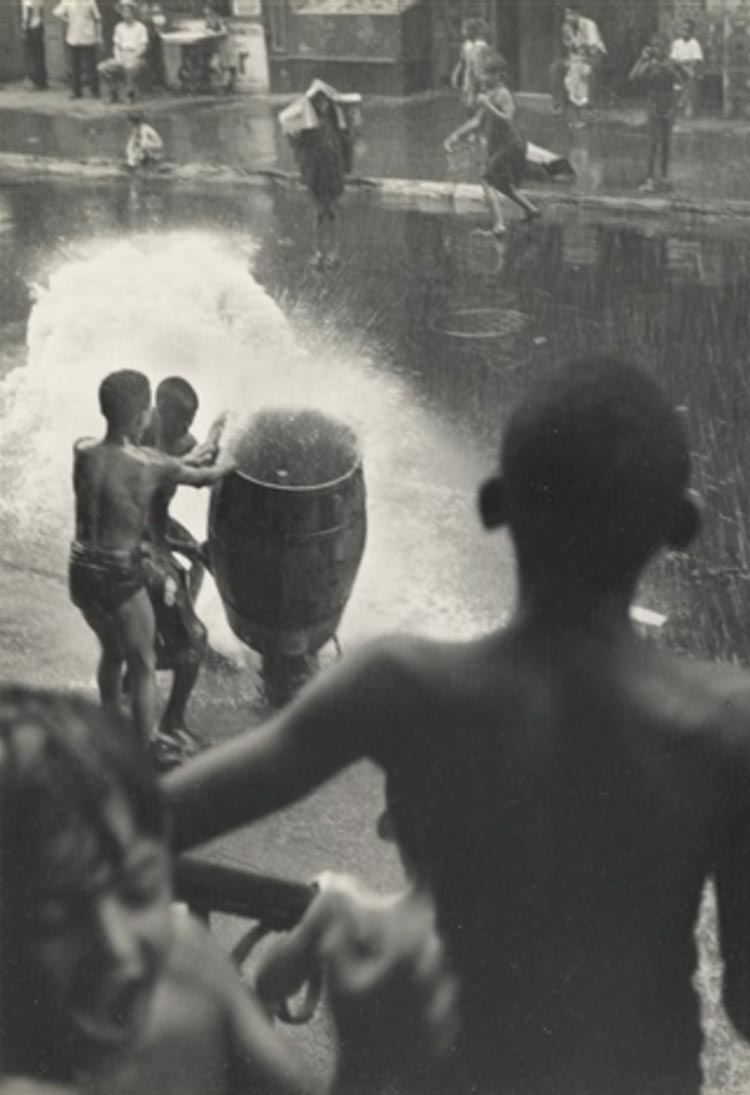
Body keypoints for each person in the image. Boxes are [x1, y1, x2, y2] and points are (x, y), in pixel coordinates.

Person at [166, 355, 750, 1095]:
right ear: (683, 524)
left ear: (497, 505)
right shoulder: (729, 724)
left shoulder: (403, 686)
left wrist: (218, 993)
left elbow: (139, 822)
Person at [0, 687, 458, 1095]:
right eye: (54, 917)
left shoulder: (186, 964)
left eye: (140, 890)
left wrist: (369, 1058)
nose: (118, 947)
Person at [68, 369, 234, 751]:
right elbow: (205, 473)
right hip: (119, 573)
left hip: (80, 568)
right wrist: (231, 457)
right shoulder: (147, 464)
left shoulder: (82, 448)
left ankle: (109, 724)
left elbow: (172, 463)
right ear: (144, 414)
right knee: (144, 662)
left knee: (112, 651)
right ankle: (148, 748)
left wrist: (208, 438)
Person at [138, 378, 224, 764]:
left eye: (192, 419)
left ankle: (158, 636)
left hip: (157, 528)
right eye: (180, 419)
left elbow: (204, 468)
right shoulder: (138, 439)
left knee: (197, 566)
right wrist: (164, 553)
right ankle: (173, 719)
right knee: (195, 640)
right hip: (132, 539)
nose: (186, 428)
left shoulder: (185, 442)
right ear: (159, 409)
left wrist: (219, 435)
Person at [444, 53, 540, 238]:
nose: (482, 78)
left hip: (512, 144)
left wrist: (489, 106)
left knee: (487, 180)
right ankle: (531, 209)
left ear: (499, 76)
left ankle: (499, 225)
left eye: (486, 74)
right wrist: (454, 136)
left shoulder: (503, 93)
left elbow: (509, 119)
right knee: (502, 184)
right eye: (481, 74)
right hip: (503, 145)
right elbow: (477, 121)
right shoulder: (489, 94)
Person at [278, 79, 362, 271]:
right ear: (314, 104)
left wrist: (347, 166)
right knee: (318, 211)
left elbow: (346, 142)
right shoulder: (307, 123)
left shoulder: (334, 121)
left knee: (331, 210)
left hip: (332, 170)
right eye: (319, 102)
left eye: (325, 102)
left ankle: (333, 251)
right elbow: (294, 139)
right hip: (315, 171)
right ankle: (318, 251)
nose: (323, 106)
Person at [629, 35, 687, 193]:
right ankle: (649, 179)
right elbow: (633, 77)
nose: (657, 50)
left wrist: (677, 103)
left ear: (667, 49)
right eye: (654, 46)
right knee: (653, 142)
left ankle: (664, 178)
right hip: (653, 105)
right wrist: (642, 59)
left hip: (668, 105)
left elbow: (685, 79)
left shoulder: (671, 64)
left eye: (660, 46)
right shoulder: (650, 64)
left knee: (666, 143)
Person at [97, 0, 148, 104]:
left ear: (133, 12)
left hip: (137, 56)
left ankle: (130, 94)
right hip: (122, 55)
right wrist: (118, 57)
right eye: (124, 11)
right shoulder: (119, 27)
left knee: (129, 67)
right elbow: (116, 46)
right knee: (102, 67)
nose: (126, 14)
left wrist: (133, 56)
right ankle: (113, 92)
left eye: (128, 11)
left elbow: (143, 47)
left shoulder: (140, 27)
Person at [53, 0, 101, 100]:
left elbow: (97, 18)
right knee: (75, 66)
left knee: (90, 65)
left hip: (88, 37)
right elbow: (56, 12)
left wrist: (99, 35)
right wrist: (67, 19)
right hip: (73, 37)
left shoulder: (90, 2)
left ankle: (94, 90)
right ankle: (76, 91)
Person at [451, 18, 492, 114]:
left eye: (465, 29)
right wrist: (455, 74)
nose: (463, 32)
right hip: (469, 79)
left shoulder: (482, 45)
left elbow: (489, 62)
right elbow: (461, 61)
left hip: (481, 78)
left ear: (472, 31)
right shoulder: (466, 45)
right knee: (468, 105)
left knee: (480, 104)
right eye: (463, 29)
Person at [670, 20, 704, 119]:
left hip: (689, 69)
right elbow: (673, 58)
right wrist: (680, 65)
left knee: (690, 77)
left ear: (692, 31)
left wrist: (686, 65)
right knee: (676, 78)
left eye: (688, 30)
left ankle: (687, 106)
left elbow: (697, 60)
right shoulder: (677, 43)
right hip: (678, 69)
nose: (685, 31)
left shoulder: (695, 43)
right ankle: (679, 105)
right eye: (684, 29)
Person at [21, 0, 48, 90]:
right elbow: (40, 11)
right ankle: (42, 81)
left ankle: (36, 80)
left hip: (32, 28)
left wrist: (25, 30)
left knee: (33, 55)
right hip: (38, 25)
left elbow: (29, 12)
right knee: (39, 54)